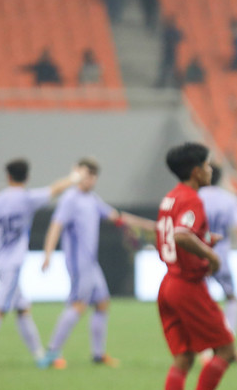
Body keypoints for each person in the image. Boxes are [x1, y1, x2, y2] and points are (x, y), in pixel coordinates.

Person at [0, 160, 84, 371]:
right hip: (12, 265)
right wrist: (74, 178)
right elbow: (54, 190)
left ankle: (39, 356)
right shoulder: (27, 199)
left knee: (22, 308)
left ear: (8, 177)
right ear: (27, 177)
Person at [156, 143, 237, 390]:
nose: (209, 170)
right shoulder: (192, 199)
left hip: (168, 283)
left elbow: (172, 234)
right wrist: (210, 254)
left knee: (183, 358)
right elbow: (181, 235)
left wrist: (203, 240)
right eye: (206, 165)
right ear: (195, 171)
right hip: (188, 286)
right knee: (226, 350)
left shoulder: (170, 197)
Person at [40, 157, 155, 368]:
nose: (89, 179)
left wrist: (148, 225)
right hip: (78, 262)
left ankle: (98, 354)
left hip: (91, 263)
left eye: (93, 176)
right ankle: (51, 353)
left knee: (102, 303)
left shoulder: (92, 199)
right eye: (85, 175)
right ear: (76, 173)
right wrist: (47, 253)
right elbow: (56, 225)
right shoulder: (70, 199)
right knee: (78, 304)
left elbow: (117, 217)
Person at [198, 164, 237, 341]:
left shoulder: (196, 197)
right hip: (221, 256)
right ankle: (229, 335)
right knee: (231, 297)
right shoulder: (228, 199)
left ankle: (204, 336)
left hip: (199, 254)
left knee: (201, 298)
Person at [156, 15, 183, 88]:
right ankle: (162, 83)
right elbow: (166, 39)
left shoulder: (174, 31)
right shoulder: (167, 31)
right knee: (164, 69)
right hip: (167, 52)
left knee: (172, 69)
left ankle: (175, 84)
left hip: (173, 53)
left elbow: (180, 38)